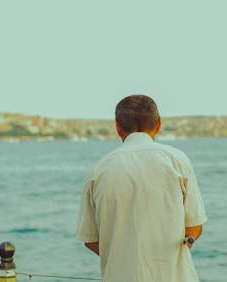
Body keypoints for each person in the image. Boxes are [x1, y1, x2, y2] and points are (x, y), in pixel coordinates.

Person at [76, 94, 207, 282]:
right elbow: (194, 225)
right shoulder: (177, 160)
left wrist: (127, 258)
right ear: (159, 123)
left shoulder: (98, 171)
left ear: (118, 127)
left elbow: (90, 239)